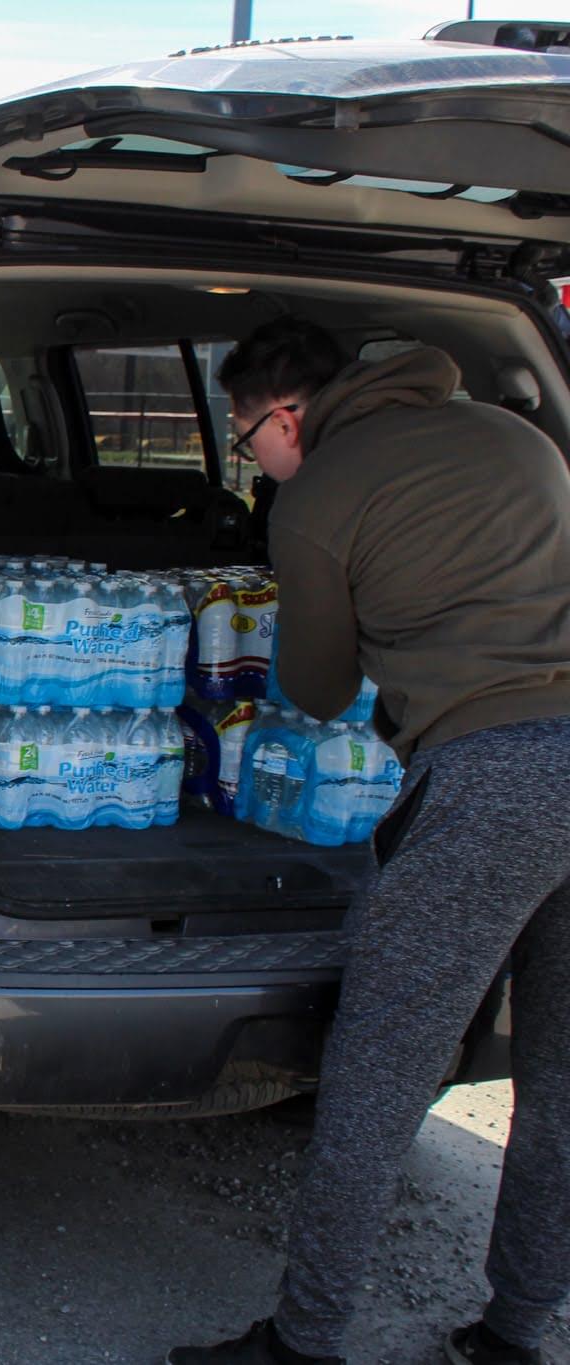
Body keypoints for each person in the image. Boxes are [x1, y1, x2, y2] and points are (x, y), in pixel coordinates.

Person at [169, 318, 570, 1365]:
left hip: (497, 777)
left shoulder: (318, 499)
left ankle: (301, 1345)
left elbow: (314, 686)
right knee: (559, 1073)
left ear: (288, 417)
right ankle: (516, 1334)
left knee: (379, 1068)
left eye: (244, 433)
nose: (244, 454)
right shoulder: (517, 440)